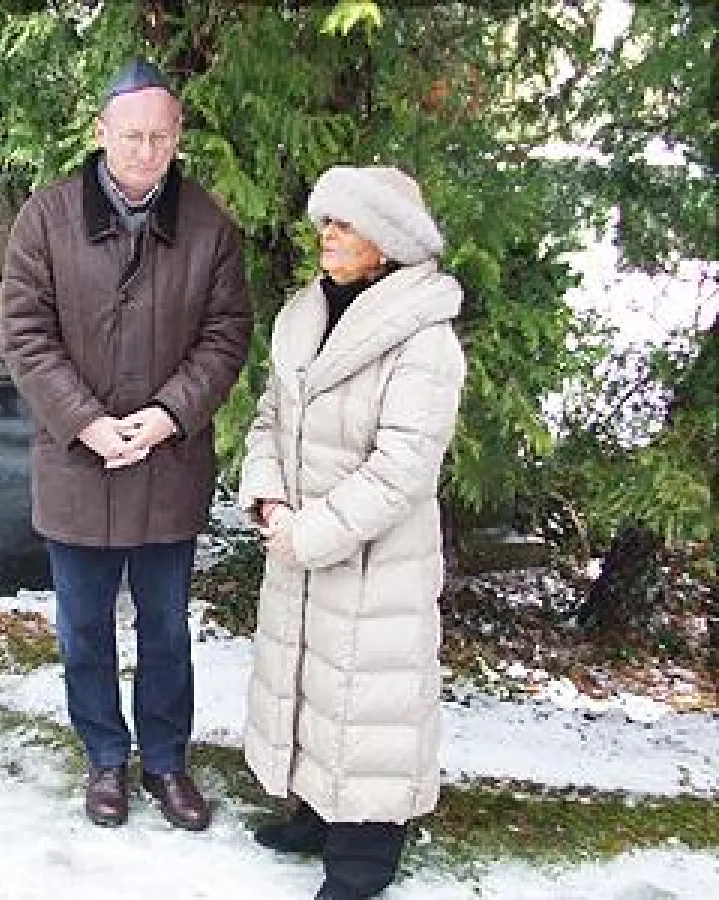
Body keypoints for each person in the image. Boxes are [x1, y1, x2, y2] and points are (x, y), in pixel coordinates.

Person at [0, 59, 252, 831]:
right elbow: (26, 334)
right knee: (82, 629)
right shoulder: (44, 220)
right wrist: (86, 421)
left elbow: (225, 334)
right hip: (77, 464)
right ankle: (105, 758)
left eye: (159, 136)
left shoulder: (209, 226)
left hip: (166, 465)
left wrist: (170, 414)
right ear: (101, 132)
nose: (144, 151)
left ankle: (168, 763)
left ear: (177, 139)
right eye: (130, 135)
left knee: (168, 627)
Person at [238, 166, 465, 899]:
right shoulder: (304, 312)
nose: (326, 235)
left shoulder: (423, 337)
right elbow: (271, 417)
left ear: (389, 242)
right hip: (301, 541)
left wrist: (313, 533)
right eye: (325, 222)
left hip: (375, 561)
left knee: (369, 701)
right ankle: (315, 813)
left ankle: (365, 856)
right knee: (310, 683)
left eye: (344, 223)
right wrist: (270, 499)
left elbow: (402, 469)